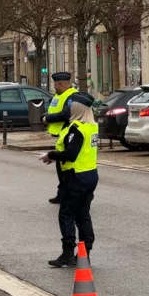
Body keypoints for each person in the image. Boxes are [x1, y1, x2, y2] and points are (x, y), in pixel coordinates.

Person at [41, 96, 99, 267]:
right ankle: (84, 253)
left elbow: (71, 154)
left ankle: (67, 253)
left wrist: (50, 155)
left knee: (66, 213)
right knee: (83, 214)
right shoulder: (92, 126)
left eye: (71, 107)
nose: (69, 110)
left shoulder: (77, 129)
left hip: (75, 176)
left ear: (77, 110)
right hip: (90, 175)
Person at [41, 72, 77, 204]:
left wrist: (47, 118)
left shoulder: (71, 96)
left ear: (61, 84)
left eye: (55, 85)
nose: (54, 87)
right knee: (60, 167)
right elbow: (52, 109)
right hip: (60, 135)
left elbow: (66, 114)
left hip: (68, 134)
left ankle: (66, 195)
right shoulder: (59, 95)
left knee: (65, 166)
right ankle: (61, 194)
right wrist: (45, 115)